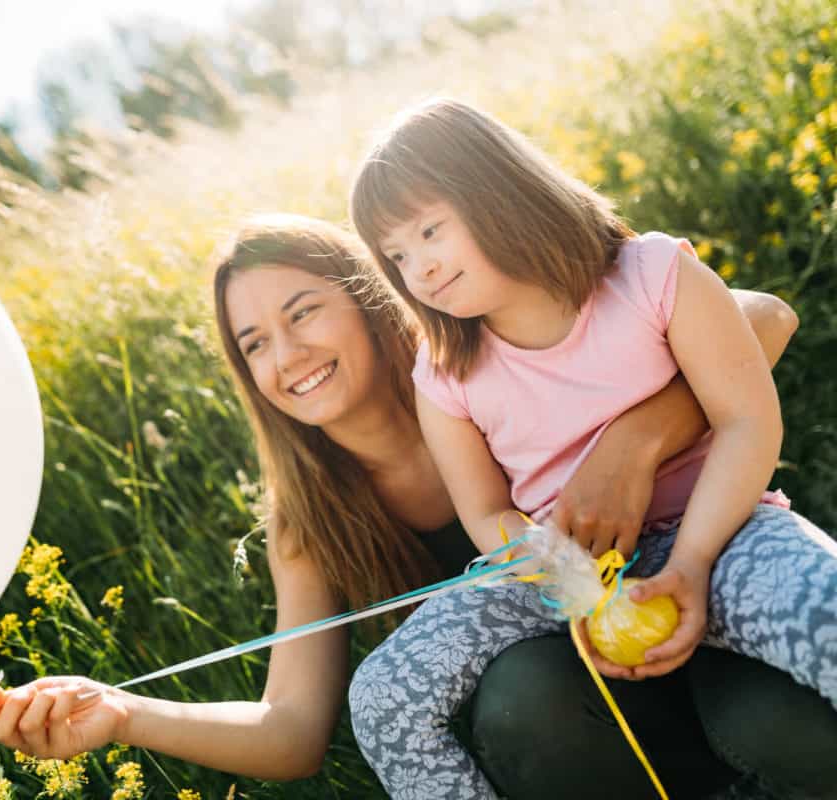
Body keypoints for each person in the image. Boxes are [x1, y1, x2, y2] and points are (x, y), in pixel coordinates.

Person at [0, 215, 819, 798]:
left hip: (696, 611)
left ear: (373, 296)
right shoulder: (309, 522)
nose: (288, 355)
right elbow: (292, 730)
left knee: (780, 726)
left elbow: (758, 317)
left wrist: (631, 447)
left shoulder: (476, 368)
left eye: (304, 312)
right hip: (581, 731)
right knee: (523, 690)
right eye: (255, 344)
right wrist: (125, 714)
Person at [347, 96, 837, 798]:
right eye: (396, 254)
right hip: (562, 578)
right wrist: (571, 579)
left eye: (429, 231)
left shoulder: (652, 276)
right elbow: (486, 513)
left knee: (829, 613)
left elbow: (745, 421)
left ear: (501, 193)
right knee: (383, 698)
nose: (417, 268)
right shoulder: (445, 372)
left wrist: (694, 560)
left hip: (723, 535)